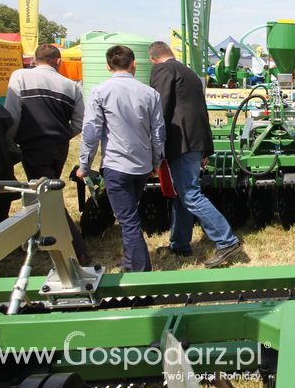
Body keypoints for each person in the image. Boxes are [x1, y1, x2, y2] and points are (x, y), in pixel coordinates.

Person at [148, 41, 244, 268]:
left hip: (179, 141)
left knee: (190, 195)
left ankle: (227, 241)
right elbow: (200, 110)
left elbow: (160, 108)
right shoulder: (189, 72)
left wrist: (153, 143)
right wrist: (205, 150)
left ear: (153, 59)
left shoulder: (162, 70)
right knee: (183, 195)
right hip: (195, 140)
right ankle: (180, 244)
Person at [76, 46, 165, 272]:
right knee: (129, 215)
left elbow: (91, 132)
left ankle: (140, 272)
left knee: (128, 221)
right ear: (133, 64)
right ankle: (130, 261)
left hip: (117, 166)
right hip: (142, 166)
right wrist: (156, 162)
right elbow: (158, 133)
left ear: (108, 66)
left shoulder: (99, 92)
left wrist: (84, 165)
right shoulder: (150, 93)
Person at [5, 43, 89, 264]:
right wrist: (62, 135)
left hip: (33, 145)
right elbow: (80, 122)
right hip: (59, 148)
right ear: (58, 61)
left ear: (34, 59)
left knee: (47, 196)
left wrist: (10, 142)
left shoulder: (20, 77)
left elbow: (12, 113)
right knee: (46, 191)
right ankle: (39, 237)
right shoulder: (71, 86)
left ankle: (77, 248)